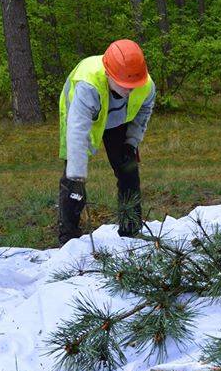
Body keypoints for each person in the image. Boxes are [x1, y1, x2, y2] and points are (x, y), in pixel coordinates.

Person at [57, 39, 156, 246]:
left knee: (129, 170)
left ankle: (131, 231)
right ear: (109, 74)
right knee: (73, 182)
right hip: (82, 116)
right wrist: (77, 173)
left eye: (133, 85)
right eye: (125, 85)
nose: (130, 89)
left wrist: (131, 142)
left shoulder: (146, 85)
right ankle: (68, 237)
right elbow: (77, 131)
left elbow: (143, 114)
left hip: (119, 120)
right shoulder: (88, 85)